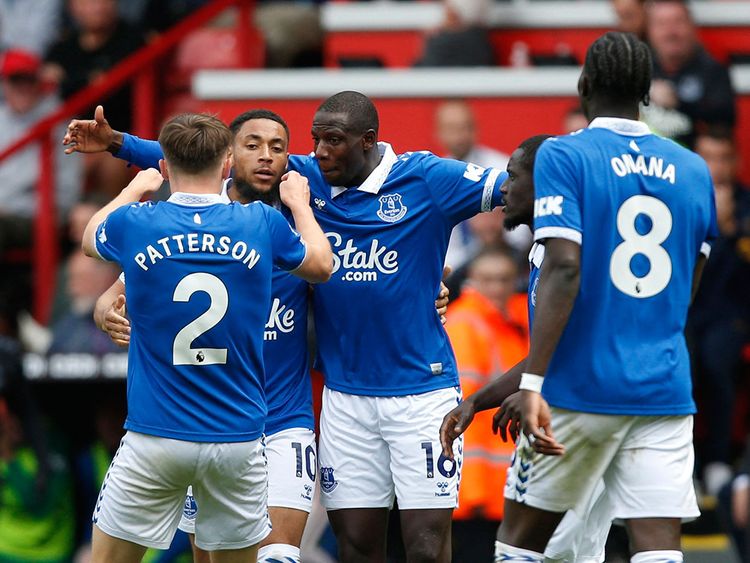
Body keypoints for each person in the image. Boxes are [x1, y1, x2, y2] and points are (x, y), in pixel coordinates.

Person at [65, 90, 509, 562]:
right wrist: (111, 294)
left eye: (280, 147)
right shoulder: (276, 222)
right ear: (230, 160)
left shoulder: (318, 205)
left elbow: (177, 175)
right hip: (261, 417)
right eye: (254, 146)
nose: (284, 155)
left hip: (304, 415)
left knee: (336, 551)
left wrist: (427, 284)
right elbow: (191, 164)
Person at [490, 31, 715, 563]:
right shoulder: (693, 168)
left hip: (580, 384)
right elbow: (690, 282)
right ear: (645, 90)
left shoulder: (565, 156)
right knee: (658, 548)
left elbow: (564, 268)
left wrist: (534, 381)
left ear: (584, 83)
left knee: (519, 542)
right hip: (663, 384)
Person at [80, 112, 332, 562]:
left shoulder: (139, 222)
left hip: (157, 435)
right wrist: (300, 206)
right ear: (227, 162)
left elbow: (89, 238)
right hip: (238, 438)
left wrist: (133, 189)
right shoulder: (260, 223)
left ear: (166, 165)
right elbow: (321, 265)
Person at [441, 134, 613, 563]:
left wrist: (534, 387)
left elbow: (585, 338)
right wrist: (477, 402)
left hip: (575, 415)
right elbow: (545, 351)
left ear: (546, 184)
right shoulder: (542, 252)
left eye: (514, 177)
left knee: (522, 551)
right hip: (578, 411)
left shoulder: (571, 253)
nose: (504, 187)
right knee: (576, 554)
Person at [444, 245, 528, 562]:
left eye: (504, 279)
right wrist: (472, 491)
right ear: (472, 281)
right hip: (476, 493)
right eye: (488, 279)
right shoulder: (466, 324)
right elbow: (461, 411)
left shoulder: (512, 321)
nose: (496, 287)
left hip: (504, 484)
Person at [690, 127, 750, 495]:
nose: (716, 168)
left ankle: (717, 460)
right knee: (684, 366)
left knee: (716, 360)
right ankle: (688, 466)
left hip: (733, 316)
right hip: (684, 314)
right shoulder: (682, 200)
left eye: (723, 158)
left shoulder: (746, 205)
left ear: (737, 161)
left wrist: (728, 232)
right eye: (707, 158)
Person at [434, 99, 517, 271]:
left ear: (475, 129)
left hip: (503, 262)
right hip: (454, 269)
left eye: (464, 127)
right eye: (451, 129)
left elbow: (520, 232)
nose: (458, 136)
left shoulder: (501, 168)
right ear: (438, 133)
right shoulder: (434, 176)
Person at [644, 0, 735, 145]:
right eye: (661, 24)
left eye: (678, 22)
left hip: (695, 161)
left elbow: (724, 120)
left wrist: (678, 101)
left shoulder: (712, 71)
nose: (670, 32)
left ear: (692, 27)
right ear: (649, 31)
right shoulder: (640, 72)